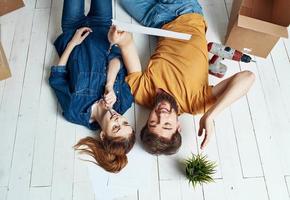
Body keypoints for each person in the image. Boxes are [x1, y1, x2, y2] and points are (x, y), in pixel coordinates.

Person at [110, 0, 255, 154]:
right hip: (184, 11)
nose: (162, 115)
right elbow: (248, 77)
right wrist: (211, 115)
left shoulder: (142, 94)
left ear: (146, 121)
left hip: (155, 21)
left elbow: (127, 45)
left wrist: (121, 39)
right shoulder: (195, 103)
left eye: (153, 122)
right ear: (178, 126)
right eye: (167, 125)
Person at [49, 0, 135, 173]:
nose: (118, 119)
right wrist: (110, 85)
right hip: (103, 27)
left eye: (116, 127)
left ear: (103, 135)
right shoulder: (124, 101)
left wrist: (73, 43)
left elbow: (57, 76)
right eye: (125, 122)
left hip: (73, 30)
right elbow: (116, 59)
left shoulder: (75, 112)